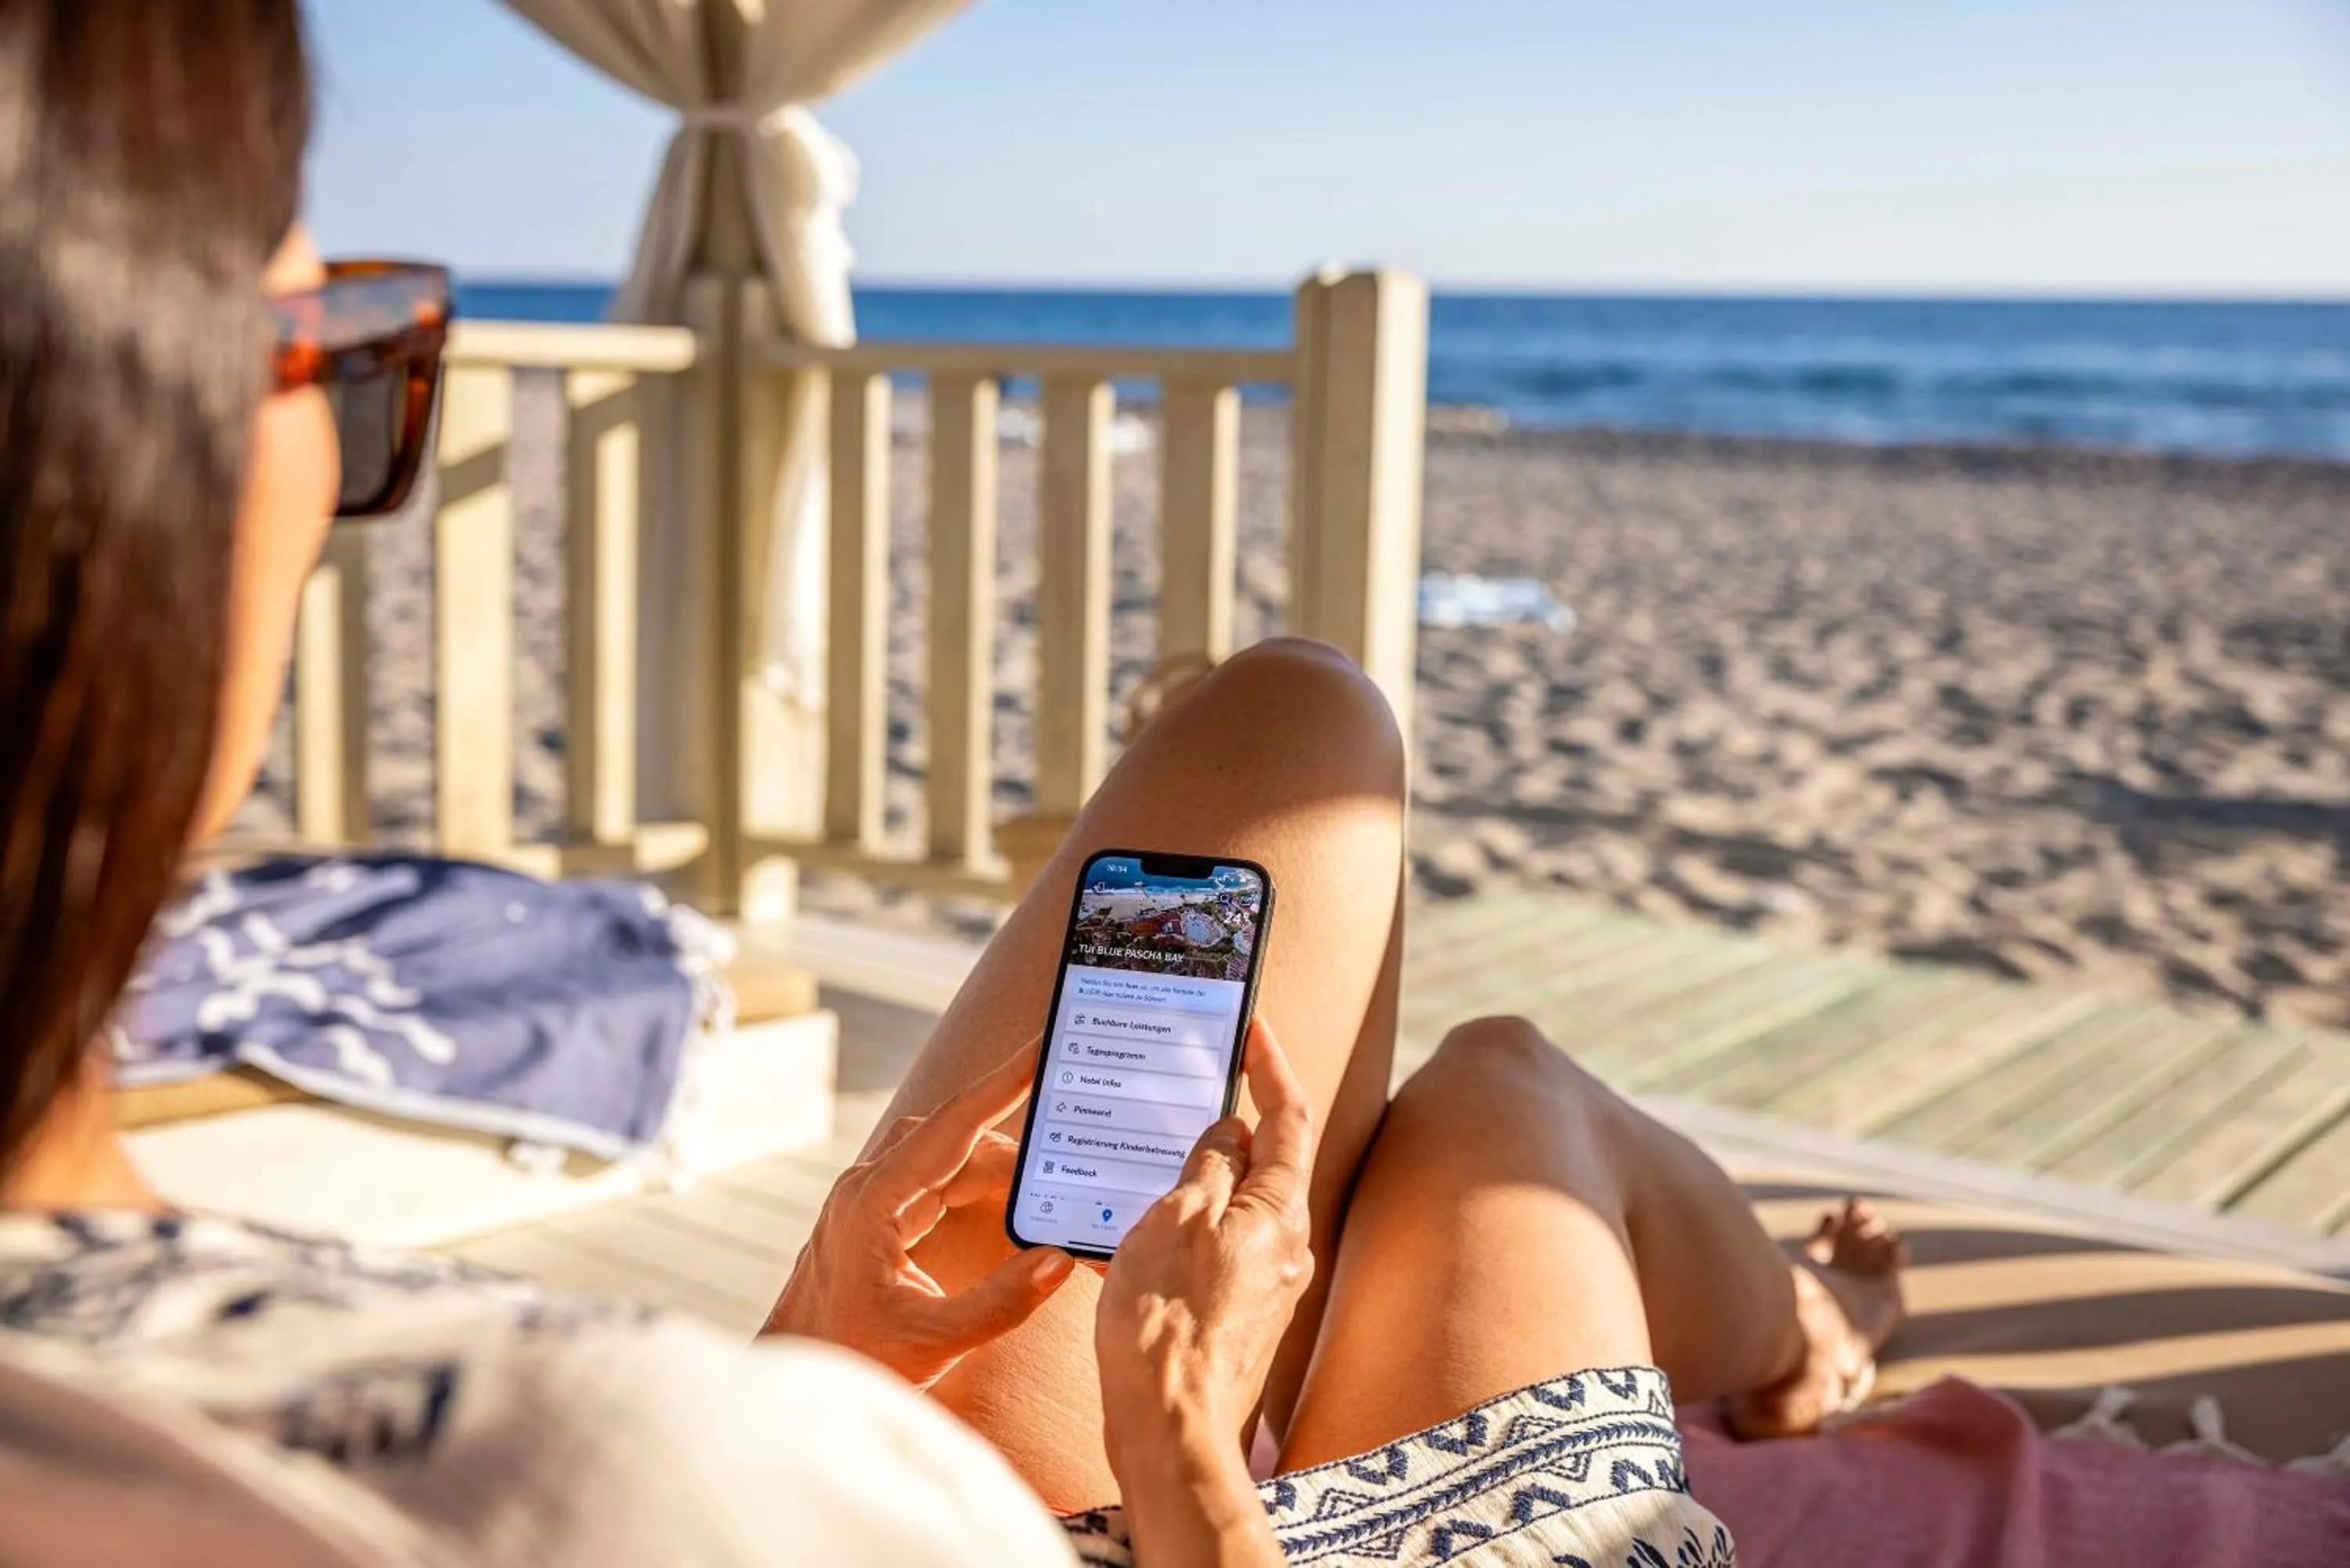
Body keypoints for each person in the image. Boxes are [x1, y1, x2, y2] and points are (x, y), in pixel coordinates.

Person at [0, 4, 1918, 1563]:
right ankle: (1815, 1341)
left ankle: (1799, 1330)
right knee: (1501, 1106)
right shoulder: (587, 1459)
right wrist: (1185, 1439)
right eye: (339, 356)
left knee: (1292, 731)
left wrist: (836, 1307)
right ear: (104, 500)